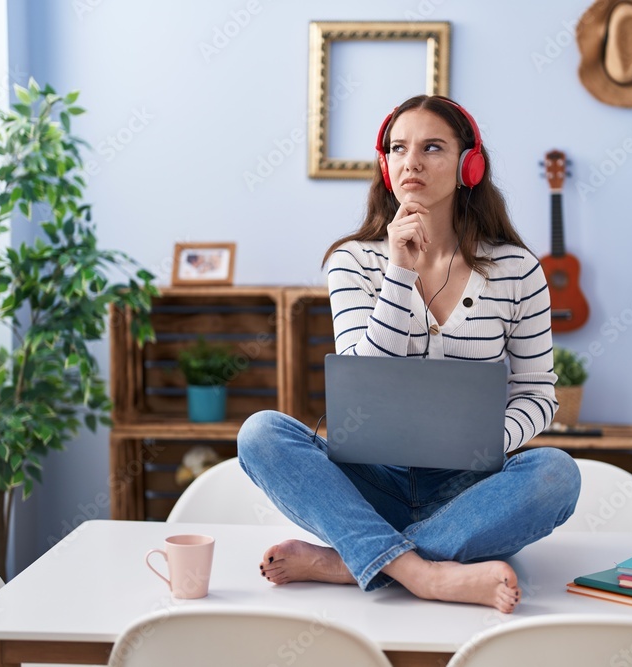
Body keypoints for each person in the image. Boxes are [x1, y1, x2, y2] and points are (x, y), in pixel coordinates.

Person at [237, 95, 580, 613]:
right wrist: (399, 273)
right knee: (259, 433)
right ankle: (423, 572)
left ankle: (348, 561)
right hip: (373, 477)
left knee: (557, 473)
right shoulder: (351, 262)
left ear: (470, 164)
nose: (411, 162)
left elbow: (537, 394)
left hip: (470, 490)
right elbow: (366, 371)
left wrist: (487, 443)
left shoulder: (518, 270)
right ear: (385, 164)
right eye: (398, 148)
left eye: (432, 147)